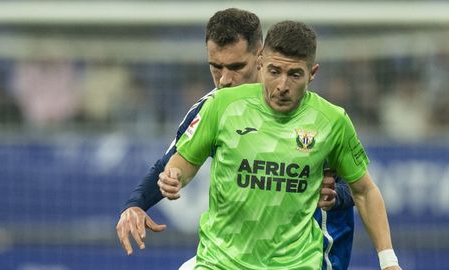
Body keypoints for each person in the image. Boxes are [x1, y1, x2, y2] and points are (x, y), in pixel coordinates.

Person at [117, 8, 354, 270]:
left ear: (261, 56)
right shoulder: (215, 107)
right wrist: (136, 205)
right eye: (215, 67)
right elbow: (172, 163)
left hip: (319, 247)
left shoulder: (313, 113)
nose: (224, 80)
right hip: (244, 256)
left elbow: (359, 188)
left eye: (236, 67)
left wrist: (334, 196)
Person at [158, 20, 401, 269]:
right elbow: (184, 161)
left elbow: (365, 191)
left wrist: (388, 261)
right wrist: (174, 176)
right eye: (274, 72)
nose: (282, 86)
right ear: (261, 64)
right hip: (220, 262)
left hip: (296, 264)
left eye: (294, 75)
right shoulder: (222, 105)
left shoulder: (332, 121)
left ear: (313, 73)